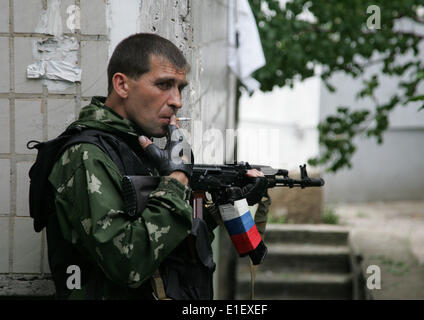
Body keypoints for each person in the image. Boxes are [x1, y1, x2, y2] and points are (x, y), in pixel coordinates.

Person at [45, 33, 267, 300]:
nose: (177, 101)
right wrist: (176, 180)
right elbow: (128, 263)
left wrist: (222, 208)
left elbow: (163, 245)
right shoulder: (86, 156)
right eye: (164, 84)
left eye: (180, 88)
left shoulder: (137, 147)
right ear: (122, 85)